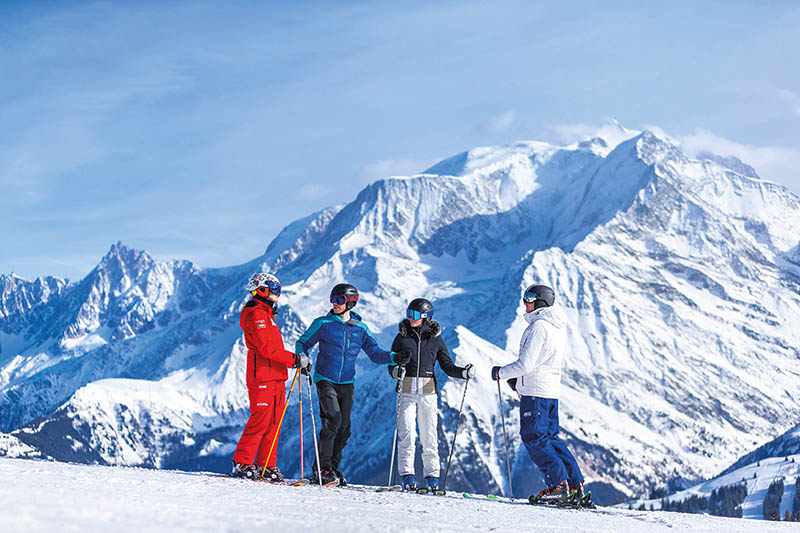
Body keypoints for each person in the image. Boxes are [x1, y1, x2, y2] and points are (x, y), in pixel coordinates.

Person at [296, 283, 410, 486]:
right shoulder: (323, 323)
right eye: (332, 299)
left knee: (344, 428)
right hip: (325, 379)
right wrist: (302, 357)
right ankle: (321, 469)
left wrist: (395, 357)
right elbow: (302, 343)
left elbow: (375, 354)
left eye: (339, 300)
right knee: (332, 420)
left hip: (347, 382)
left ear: (351, 302)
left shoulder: (360, 329)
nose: (334, 303)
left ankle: (332, 468)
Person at [490, 284, 589, 506]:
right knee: (551, 438)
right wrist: (519, 381)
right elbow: (541, 362)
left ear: (541, 301)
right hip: (550, 392)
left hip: (535, 393)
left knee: (534, 437)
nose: (525, 301)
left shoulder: (538, 327)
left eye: (530, 297)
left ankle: (558, 487)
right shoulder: (556, 327)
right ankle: (575, 486)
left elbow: (525, 363)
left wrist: (501, 373)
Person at [389, 298, 475, 492]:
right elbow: (391, 363)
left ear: (426, 317)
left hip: (428, 393)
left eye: (416, 315)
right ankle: (407, 476)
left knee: (430, 437)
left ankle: (432, 478)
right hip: (406, 391)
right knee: (407, 435)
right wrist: (396, 371)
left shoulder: (435, 339)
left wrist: (463, 373)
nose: (411, 318)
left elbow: (447, 365)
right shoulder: (401, 337)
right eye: (409, 314)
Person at [231, 273, 311, 481]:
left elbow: (273, 349)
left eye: (278, 289)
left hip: (276, 375)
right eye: (273, 288)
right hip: (262, 376)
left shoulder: (267, 315)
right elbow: (267, 349)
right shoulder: (256, 314)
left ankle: (266, 464)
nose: (278, 293)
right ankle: (242, 462)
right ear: (261, 290)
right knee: (261, 419)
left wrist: (292, 362)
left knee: (274, 422)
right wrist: (294, 360)